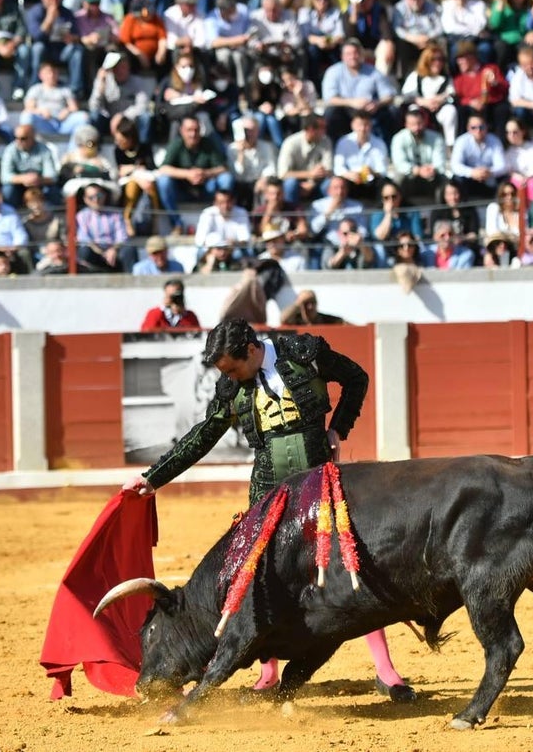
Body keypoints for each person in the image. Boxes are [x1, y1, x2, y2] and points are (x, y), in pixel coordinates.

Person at [123, 318, 414, 702]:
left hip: (317, 481)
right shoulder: (233, 386)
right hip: (268, 492)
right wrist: (153, 478)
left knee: (347, 565)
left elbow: (356, 377)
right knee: (258, 577)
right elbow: (203, 435)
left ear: (250, 350)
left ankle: (386, 670)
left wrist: (337, 429)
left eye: (231, 367)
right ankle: (268, 673)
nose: (228, 377)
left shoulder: (303, 355)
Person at [157, 115, 235, 234]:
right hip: (182, 191)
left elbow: (223, 168)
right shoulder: (176, 144)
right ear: (182, 131)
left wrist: (205, 173)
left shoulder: (208, 143)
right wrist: (187, 174)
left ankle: (222, 220)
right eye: (189, 130)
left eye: (196, 130)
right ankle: (177, 224)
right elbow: (163, 168)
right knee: (163, 181)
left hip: (207, 190)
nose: (193, 134)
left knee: (226, 179)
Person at [320, 38, 398, 143]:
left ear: (362, 55)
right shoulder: (333, 71)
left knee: (393, 111)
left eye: (356, 53)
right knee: (330, 113)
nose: (352, 57)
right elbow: (329, 98)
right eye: (348, 54)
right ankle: (333, 146)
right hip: (345, 110)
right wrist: (352, 102)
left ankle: (388, 147)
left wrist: (377, 103)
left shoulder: (373, 71)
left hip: (369, 110)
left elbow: (389, 95)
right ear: (342, 56)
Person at [276, 113, 333, 206]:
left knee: (330, 183)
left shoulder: (326, 141)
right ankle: (292, 215)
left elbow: (329, 171)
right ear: (310, 129)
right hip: (297, 184)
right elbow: (283, 174)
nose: (325, 131)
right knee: (290, 183)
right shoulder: (291, 143)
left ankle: (329, 216)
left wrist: (312, 183)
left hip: (316, 183)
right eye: (322, 127)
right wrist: (310, 174)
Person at [76, 182, 135, 272]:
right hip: (94, 252)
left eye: (99, 196)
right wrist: (102, 252)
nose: (96, 200)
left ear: (104, 196)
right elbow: (84, 239)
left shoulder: (116, 214)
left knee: (129, 250)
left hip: (114, 251)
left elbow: (122, 237)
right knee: (84, 251)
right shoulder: (82, 216)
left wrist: (113, 249)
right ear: (85, 200)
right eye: (91, 197)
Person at [449, 114, 506, 201]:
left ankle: (499, 206)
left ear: (486, 127)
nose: (478, 130)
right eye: (474, 127)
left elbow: (502, 166)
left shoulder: (494, 140)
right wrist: (472, 172)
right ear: (468, 128)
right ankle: (463, 209)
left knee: (504, 179)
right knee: (457, 179)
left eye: (481, 127)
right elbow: (455, 165)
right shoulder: (461, 141)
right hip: (469, 179)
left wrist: (489, 172)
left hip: (488, 179)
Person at [0, 124, 59, 207]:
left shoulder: (44, 150)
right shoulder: (10, 150)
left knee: (53, 190)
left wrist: (38, 179)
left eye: (23, 138)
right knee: (8, 190)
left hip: (39, 185)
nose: (18, 141)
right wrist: (23, 178)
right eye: (16, 138)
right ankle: (11, 214)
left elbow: (52, 177)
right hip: (18, 186)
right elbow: (4, 176)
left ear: (33, 137)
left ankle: (54, 215)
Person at [280, 289, 346, 325]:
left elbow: (346, 325)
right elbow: (283, 319)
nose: (310, 307)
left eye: (313, 302)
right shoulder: (295, 320)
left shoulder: (326, 320)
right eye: (306, 303)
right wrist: (298, 302)